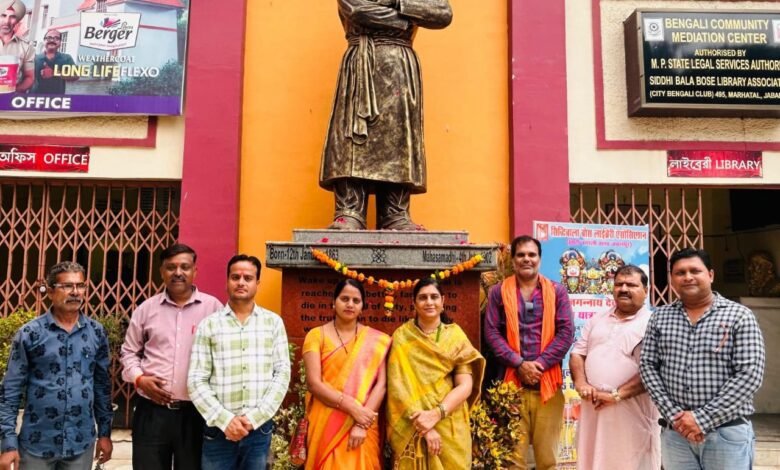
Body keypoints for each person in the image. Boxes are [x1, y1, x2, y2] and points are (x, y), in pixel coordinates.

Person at [320, 0, 453, 230]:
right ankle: (350, 210)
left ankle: (394, 212)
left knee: (398, 139)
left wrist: (395, 2)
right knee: (352, 140)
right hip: (361, 63)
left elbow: (442, 13)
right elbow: (357, 10)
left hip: (399, 67)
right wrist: (406, 20)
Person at [640, 248, 765, 470]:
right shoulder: (660, 317)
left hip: (726, 433)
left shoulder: (739, 316)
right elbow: (648, 366)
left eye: (695, 271)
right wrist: (675, 417)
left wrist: (701, 419)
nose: (687, 277)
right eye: (680, 273)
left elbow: (749, 375)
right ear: (672, 279)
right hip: (675, 435)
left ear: (711, 275)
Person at [0, 262, 113, 470]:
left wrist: (105, 434)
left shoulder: (96, 333)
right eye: (67, 286)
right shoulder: (30, 334)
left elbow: (102, 387)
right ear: (51, 292)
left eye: (80, 286)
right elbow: (10, 390)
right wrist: (8, 444)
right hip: (37, 444)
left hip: (80, 443)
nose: (75, 292)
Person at [120, 243, 222, 470]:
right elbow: (128, 352)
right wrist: (139, 379)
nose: (178, 272)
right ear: (162, 271)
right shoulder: (146, 309)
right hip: (152, 411)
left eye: (184, 267)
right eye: (171, 267)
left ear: (195, 271)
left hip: (197, 412)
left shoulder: (213, 309)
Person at [188, 254, 291, 470]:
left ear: (257, 283)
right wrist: (225, 420)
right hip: (218, 430)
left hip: (258, 430)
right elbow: (196, 380)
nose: (241, 282)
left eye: (248, 278)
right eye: (235, 277)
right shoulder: (209, 325)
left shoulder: (273, 323)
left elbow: (281, 374)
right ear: (227, 281)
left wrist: (254, 418)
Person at [483, 235, 574, 470]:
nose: (527, 259)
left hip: (548, 385)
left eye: (532, 255)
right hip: (511, 386)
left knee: (548, 460)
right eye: (521, 255)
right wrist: (519, 363)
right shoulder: (498, 292)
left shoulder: (557, 292)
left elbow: (566, 333)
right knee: (512, 460)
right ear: (513, 260)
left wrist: (539, 365)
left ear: (539, 260)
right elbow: (491, 333)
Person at [387, 277, 484, 469]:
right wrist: (424, 426)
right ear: (414, 302)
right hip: (412, 422)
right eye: (423, 297)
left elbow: (465, 385)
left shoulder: (455, 336)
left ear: (443, 301)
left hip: (449, 423)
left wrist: (436, 414)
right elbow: (398, 389)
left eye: (434, 297)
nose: (429, 302)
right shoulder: (402, 337)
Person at [570, 265, 660, 470]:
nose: (624, 289)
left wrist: (616, 395)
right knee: (592, 460)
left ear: (646, 290)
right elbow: (577, 353)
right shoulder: (598, 318)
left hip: (630, 412)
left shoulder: (654, 323)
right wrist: (581, 383)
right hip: (593, 408)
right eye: (619, 284)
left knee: (628, 462)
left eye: (631, 285)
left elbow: (654, 370)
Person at [301, 279, 392, 470]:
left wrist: (362, 424)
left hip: (362, 422)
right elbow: (314, 384)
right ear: (333, 303)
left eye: (356, 300)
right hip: (326, 420)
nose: (350, 304)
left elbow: (381, 385)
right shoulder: (316, 336)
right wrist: (352, 407)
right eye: (344, 299)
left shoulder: (376, 340)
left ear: (362, 307)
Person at [0, 0, 33, 92]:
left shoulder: (26, 47)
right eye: (3, 15)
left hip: (10, 97)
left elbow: (29, 78)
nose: (7, 21)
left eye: (12, 17)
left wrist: (14, 92)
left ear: (17, 20)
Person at [33, 29, 77, 94]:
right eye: (49, 38)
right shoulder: (34, 58)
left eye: (56, 38)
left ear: (60, 42)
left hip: (57, 98)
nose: (52, 40)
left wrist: (55, 73)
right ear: (44, 41)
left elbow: (75, 76)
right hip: (35, 97)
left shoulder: (67, 58)